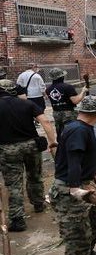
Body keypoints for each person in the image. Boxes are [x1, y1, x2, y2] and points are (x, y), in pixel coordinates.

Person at [50, 95, 96, 255]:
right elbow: (74, 159)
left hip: (85, 183)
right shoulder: (77, 131)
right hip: (69, 187)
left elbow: (88, 152)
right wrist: (74, 188)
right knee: (77, 232)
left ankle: (87, 253)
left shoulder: (84, 128)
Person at [0, 79, 57, 232]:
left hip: (8, 149)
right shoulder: (27, 104)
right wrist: (52, 142)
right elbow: (45, 121)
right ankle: (38, 204)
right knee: (35, 176)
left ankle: (18, 220)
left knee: (14, 184)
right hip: (31, 145)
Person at [46, 68, 88, 139]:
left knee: (60, 132)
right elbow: (75, 101)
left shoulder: (48, 89)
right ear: (62, 77)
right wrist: (83, 91)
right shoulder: (68, 87)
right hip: (69, 113)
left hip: (56, 113)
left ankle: (61, 147)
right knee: (71, 132)